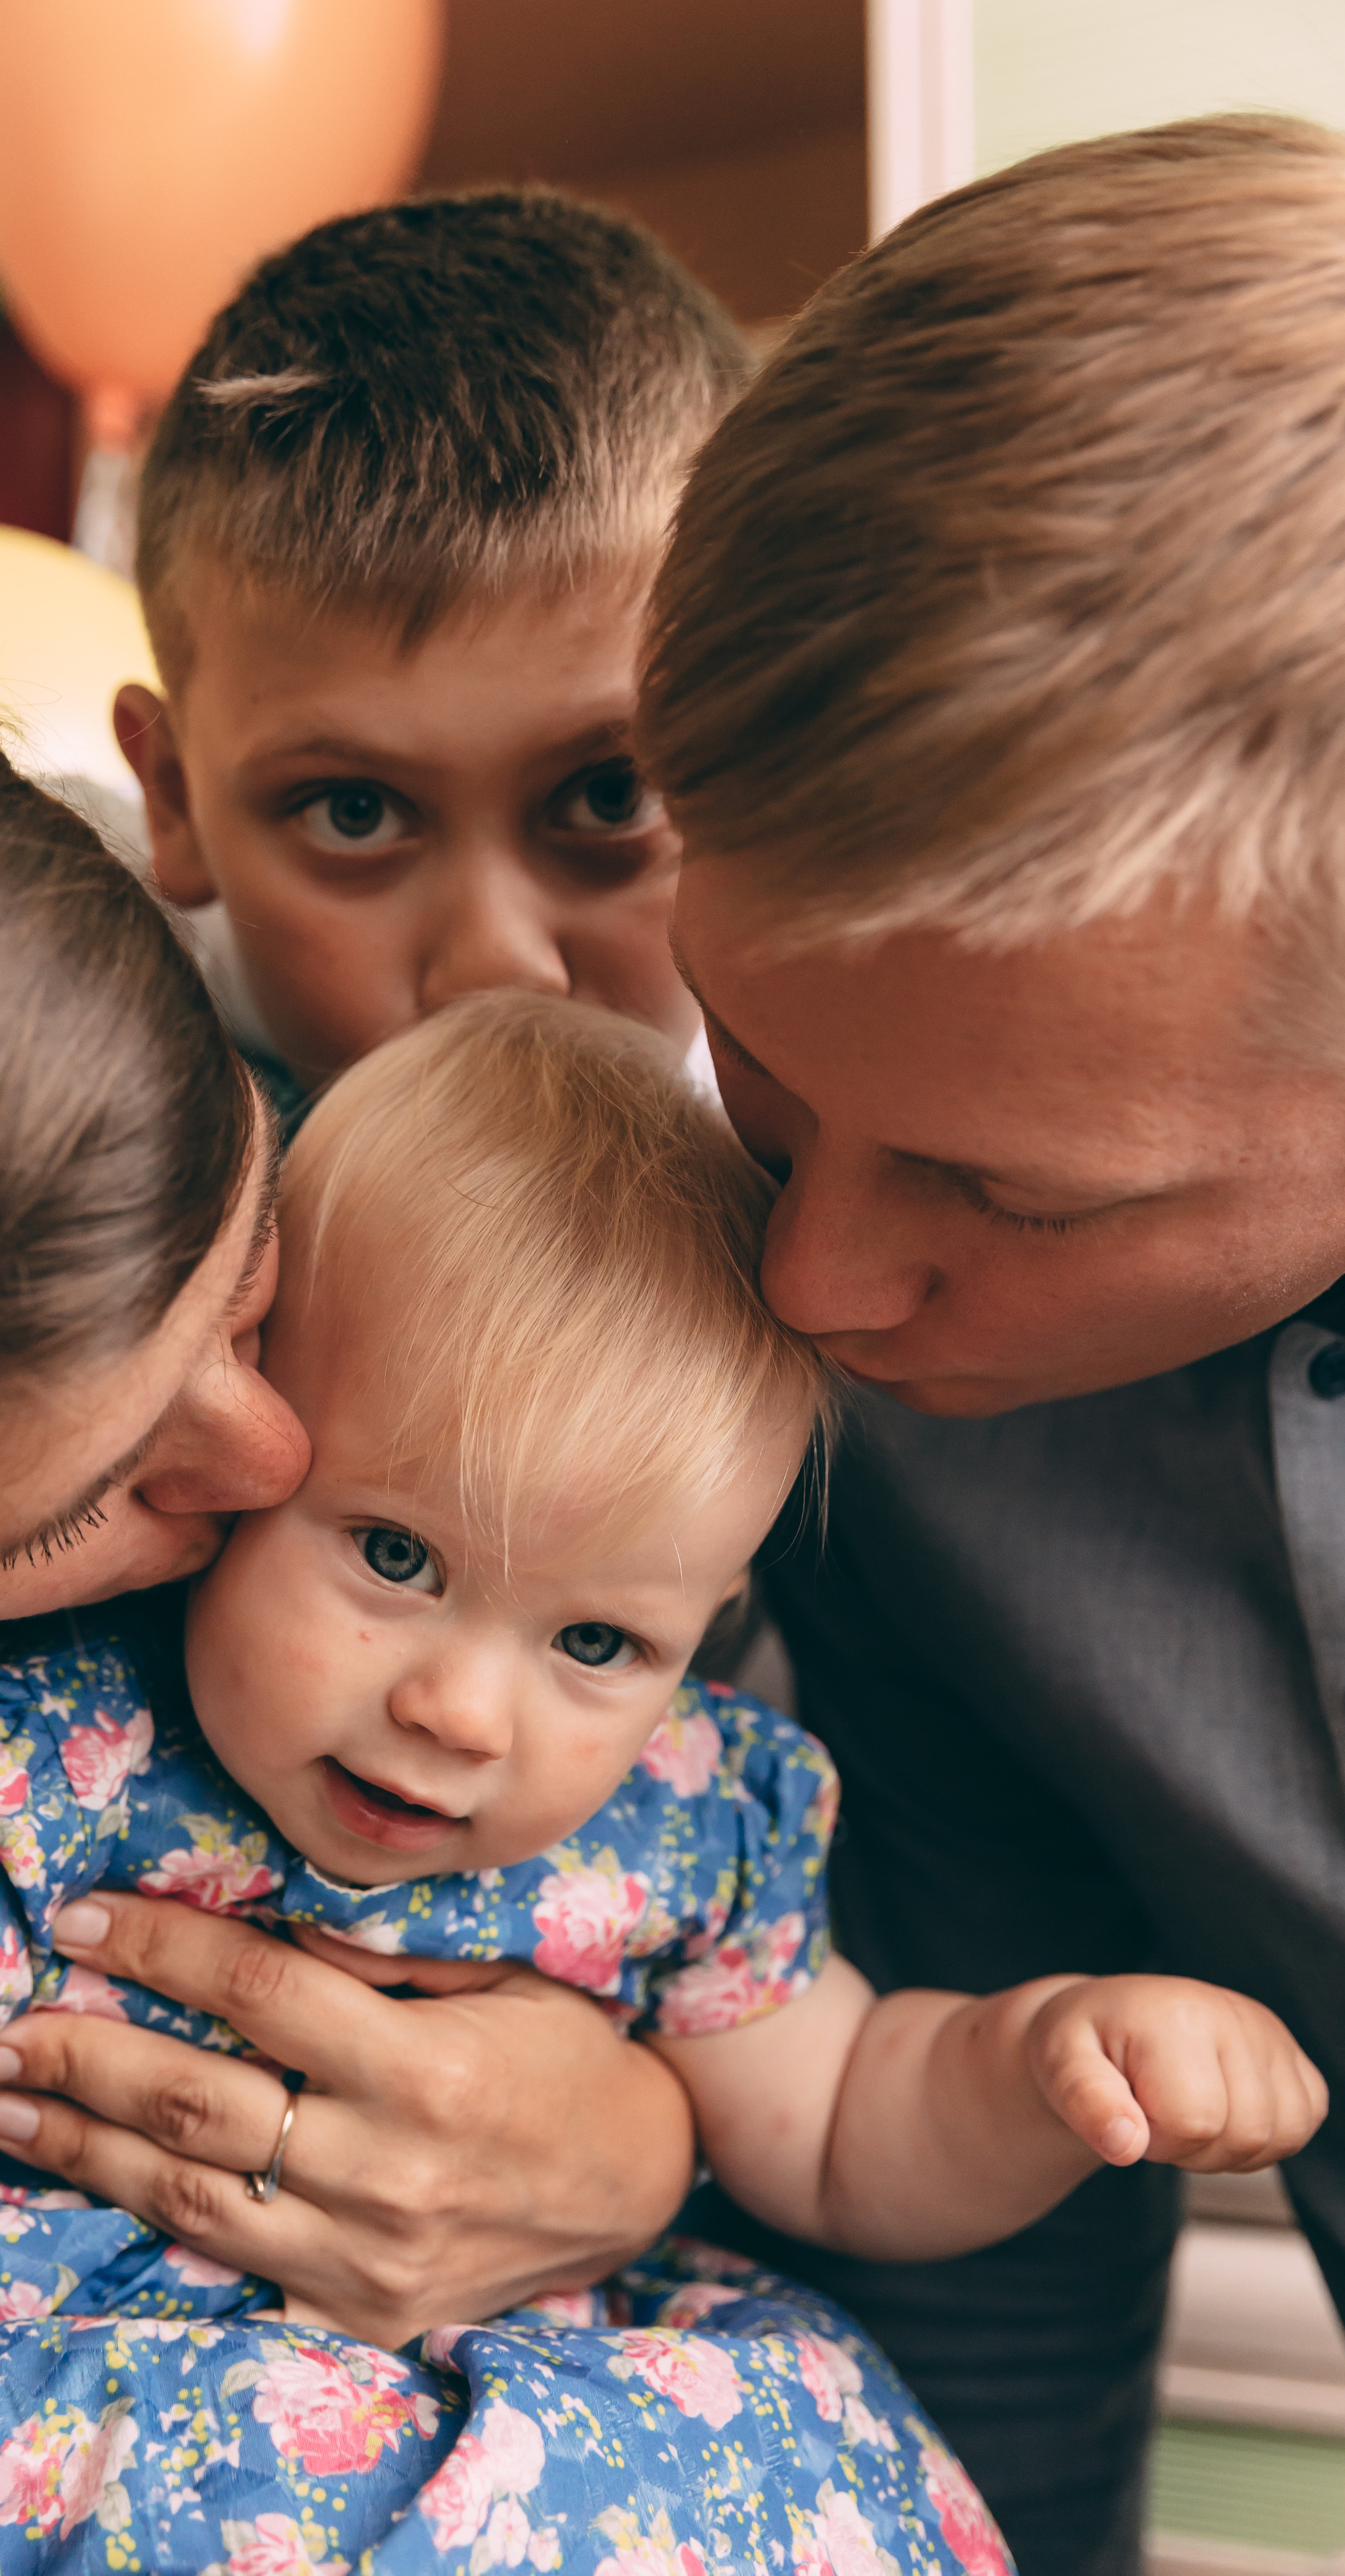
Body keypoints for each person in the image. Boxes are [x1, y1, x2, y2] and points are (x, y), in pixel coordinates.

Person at [0, 994, 1320, 2576]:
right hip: (118, 2426)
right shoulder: (16, 1776)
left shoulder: (689, 1815)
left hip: (574, 2422)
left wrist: (1039, 2063)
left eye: (593, 1638)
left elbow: (840, 2129)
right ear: (247, 1432)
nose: (455, 1709)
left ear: (705, 1624)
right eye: (390, 1551)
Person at [0, 607, 690, 2368]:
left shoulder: (389, 1173)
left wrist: (643, 2137)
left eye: (250, 1281)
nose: (274, 1459)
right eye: (75, 1503)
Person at [631, 109, 1345, 2576]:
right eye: (761, 1062)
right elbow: (1013, 2280)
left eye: (1002, 1189)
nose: (812, 1287)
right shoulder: (925, 1421)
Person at [111, 186, 749, 1125]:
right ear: (173, 801)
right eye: (353, 814)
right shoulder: (118, 1217)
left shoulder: (869, 1196)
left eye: (614, 796)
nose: (497, 967)